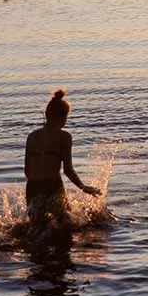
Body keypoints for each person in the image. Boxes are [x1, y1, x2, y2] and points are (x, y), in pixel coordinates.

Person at [24, 89, 101, 224]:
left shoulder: (32, 136)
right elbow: (67, 170)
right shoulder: (64, 137)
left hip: (32, 186)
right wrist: (84, 188)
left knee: (34, 227)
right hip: (52, 184)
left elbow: (27, 170)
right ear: (63, 117)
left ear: (47, 114)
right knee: (64, 222)